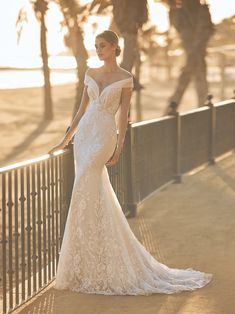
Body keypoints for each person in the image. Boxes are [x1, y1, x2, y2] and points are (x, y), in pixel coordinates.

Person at [48, 30, 212, 295]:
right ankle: (86, 264)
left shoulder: (126, 78)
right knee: (86, 192)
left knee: (88, 179)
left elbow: (123, 115)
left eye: (102, 45)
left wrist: (119, 145)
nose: (98, 50)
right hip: (85, 135)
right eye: (96, 46)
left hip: (103, 135)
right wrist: (66, 140)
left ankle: (104, 262)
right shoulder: (90, 72)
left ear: (114, 47)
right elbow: (81, 110)